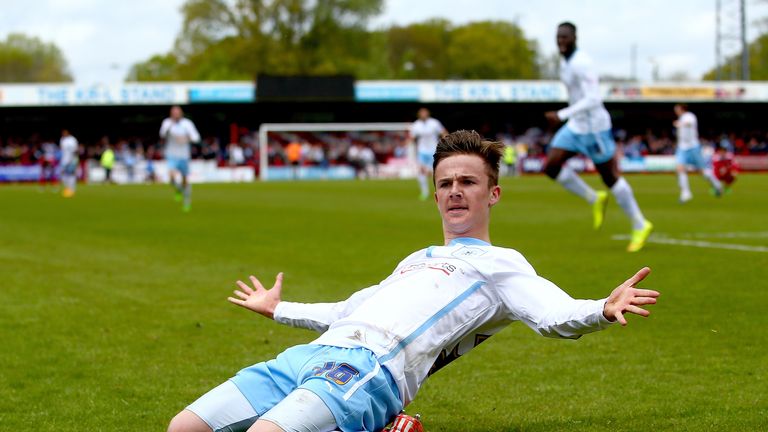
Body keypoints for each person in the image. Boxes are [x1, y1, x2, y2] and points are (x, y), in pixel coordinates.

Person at [167, 130, 660, 432]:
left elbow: (552, 315)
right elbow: (348, 309)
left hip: (368, 369)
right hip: (310, 357)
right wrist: (279, 309)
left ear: (494, 194)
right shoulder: (417, 257)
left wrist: (600, 307)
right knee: (183, 426)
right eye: (445, 184)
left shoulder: (502, 264)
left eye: (468, 182)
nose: (455, 192)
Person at [544, 22, 653, 252]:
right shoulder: (565, 63)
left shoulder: (583, 63)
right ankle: (595, 199)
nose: (560, 41)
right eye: (558, 37)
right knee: (551, 166)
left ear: (574, 37)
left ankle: (640, 224)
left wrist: (561, 114)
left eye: (565, 37)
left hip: (594, 128)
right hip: (576, 125)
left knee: (610, 177)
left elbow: (593, 98)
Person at [672, 103, 723, 202]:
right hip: (682, 148)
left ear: (681, 109)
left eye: (676, 109)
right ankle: (686, 193)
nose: (675, 111)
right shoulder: (682, 118)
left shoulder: (689, 116)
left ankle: (717, 185)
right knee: (680, 168)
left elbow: (689, 123)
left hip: (693, 147)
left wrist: (681, 124)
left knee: (702, 171)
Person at [160, 105, 200, 212]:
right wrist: (170, 130)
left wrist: (187, 138)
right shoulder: (167, 123)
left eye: (178, 112)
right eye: (174, 112)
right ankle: (178, 189)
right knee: (171, 176)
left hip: (184, 156)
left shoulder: (187, 124)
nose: (176, 114)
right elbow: (162, 134)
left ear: (181, 113)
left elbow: (196, 137)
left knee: (185, 179)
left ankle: (186, 201)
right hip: (171, 154)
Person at [408, 108, 447, 200]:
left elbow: (443, 132)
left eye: (425, 113)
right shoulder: (416, 125)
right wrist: (408, 145)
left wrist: (447, 142)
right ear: (419, 114)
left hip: (434, 150)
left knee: (436, 172)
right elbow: (412, 137)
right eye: (421, 113)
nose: (423, 114)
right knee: (421, 171)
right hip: (422, 151)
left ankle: (440, 191)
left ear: (428, 114)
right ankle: (424, 192)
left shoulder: (434, 123)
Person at [59, 129, 79, 198]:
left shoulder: (73, 140)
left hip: (72, 160)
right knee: (64, 174)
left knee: (71, 174)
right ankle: (67, 188)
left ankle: (72, 189)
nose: (64, 134)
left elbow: (75, 150)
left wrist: (73, 159)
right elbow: (62, 150)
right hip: (64, 160)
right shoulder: (62, 139)